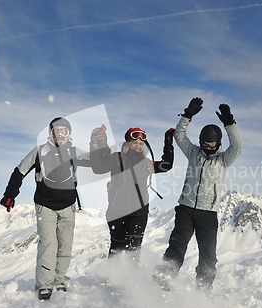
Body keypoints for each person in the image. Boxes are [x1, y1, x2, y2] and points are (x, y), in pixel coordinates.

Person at [153, 97, 242, 291]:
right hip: (186, 208)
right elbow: (179, 136)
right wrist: (187, 115)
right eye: (204, 144)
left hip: (208, 213)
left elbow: (237, 147)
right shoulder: (193, 153)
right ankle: (164, 279)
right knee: (177, 245)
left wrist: (229, 123)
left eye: (211, 144)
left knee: (208, 255)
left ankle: (203, 290)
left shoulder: (224, 159)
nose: (207, 148)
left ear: (218, 143)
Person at [0, 117, 91, 300]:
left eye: (64, 131)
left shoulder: (74, 152)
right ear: (51, 133)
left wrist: (98, 142)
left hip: (68, 206)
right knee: (48, 245)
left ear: (69, 134)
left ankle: (59, 281)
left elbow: (95, 162)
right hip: (45, 205)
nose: (60, 134)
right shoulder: (40, 151)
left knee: (65, 245)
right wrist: (10, 195)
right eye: (57, 130)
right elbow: (20, 171)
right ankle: (44, 285)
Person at [90, 125, 174, 266]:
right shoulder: (117, 158)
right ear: (128, 142)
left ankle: (131, 284)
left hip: (139, 213)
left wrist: (168, 142)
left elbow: (167, 165)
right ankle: (110, 280)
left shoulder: (147, 163)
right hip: (117, 212)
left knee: (134, 251)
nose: (138, 145)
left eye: (141, 143)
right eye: (135, 142)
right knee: (117, 248)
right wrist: (98, 144)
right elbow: (98, 168)